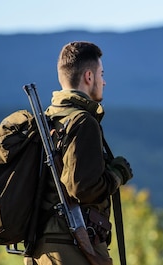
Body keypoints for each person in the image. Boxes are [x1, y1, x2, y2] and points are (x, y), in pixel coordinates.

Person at [25, 41, 134, 265]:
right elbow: (83, 189)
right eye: (101, 74)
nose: (104, 81)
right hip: (70, 249)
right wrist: (117, 175)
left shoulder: (47, 119)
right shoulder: (82, 122)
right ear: (88, 77)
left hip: (41, 250)